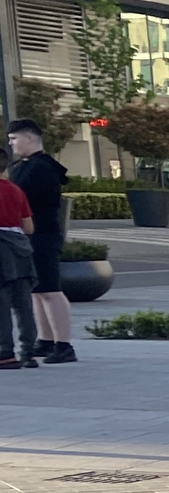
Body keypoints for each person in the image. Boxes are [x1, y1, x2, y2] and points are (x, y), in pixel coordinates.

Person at [7, 120, 69, 363]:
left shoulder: (40, 168)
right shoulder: (30, 166)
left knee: (51, 290)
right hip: (32, 235)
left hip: (42, 235)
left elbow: (21, 198)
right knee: (38, 291)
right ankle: (46, 339)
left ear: (29, 139)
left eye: (14, 139)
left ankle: (63, 344)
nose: (11, 144)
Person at [0, 165, 34, 368]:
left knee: (1, 304)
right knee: (23, 304)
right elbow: (28, 226)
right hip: (20, 249)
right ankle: (28, 352)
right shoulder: (15, 189)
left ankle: (5, 352)